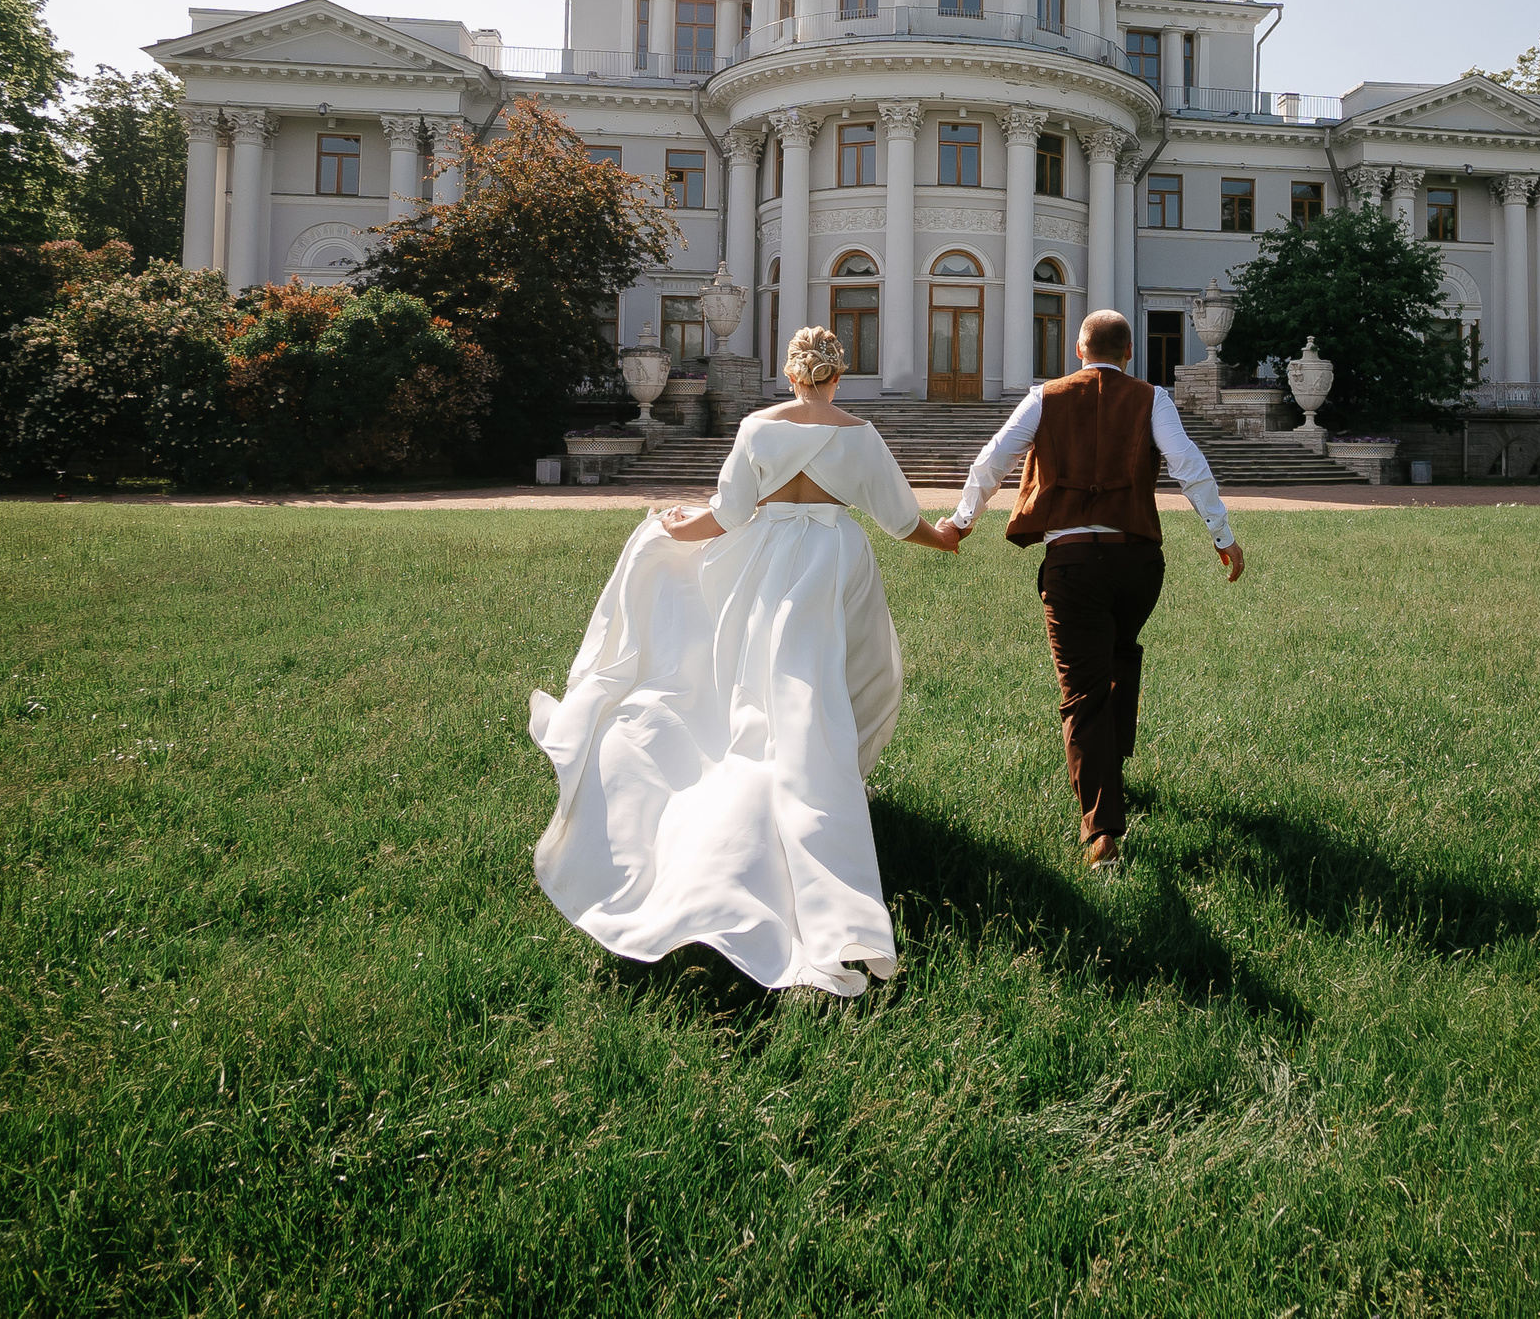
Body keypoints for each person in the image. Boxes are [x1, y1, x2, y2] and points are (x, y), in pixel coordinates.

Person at [528, 326, 960, 997]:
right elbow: (900, 520)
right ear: (837, 373)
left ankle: (759, 811)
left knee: (769, 687)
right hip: (835, 560)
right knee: (823, 686)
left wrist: (672, 526)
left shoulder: (759, 427)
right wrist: (947, 539)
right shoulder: (860, 434)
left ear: (792, 373)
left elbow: (728, 515)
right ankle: (808, 807)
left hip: (767, 562)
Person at [936, 311, 1244, 872]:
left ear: (1079, 350)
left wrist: (960, 521)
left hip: (1074, 564)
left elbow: (996, 457)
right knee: (1120, 657)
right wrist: (1221, 535)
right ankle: (1113, 770)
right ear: (1128, 353)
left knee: (1083, 693)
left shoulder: (1046, 397)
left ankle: (1102, 834)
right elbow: (1188, 465)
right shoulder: (1151, 398)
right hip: (1138, 562)